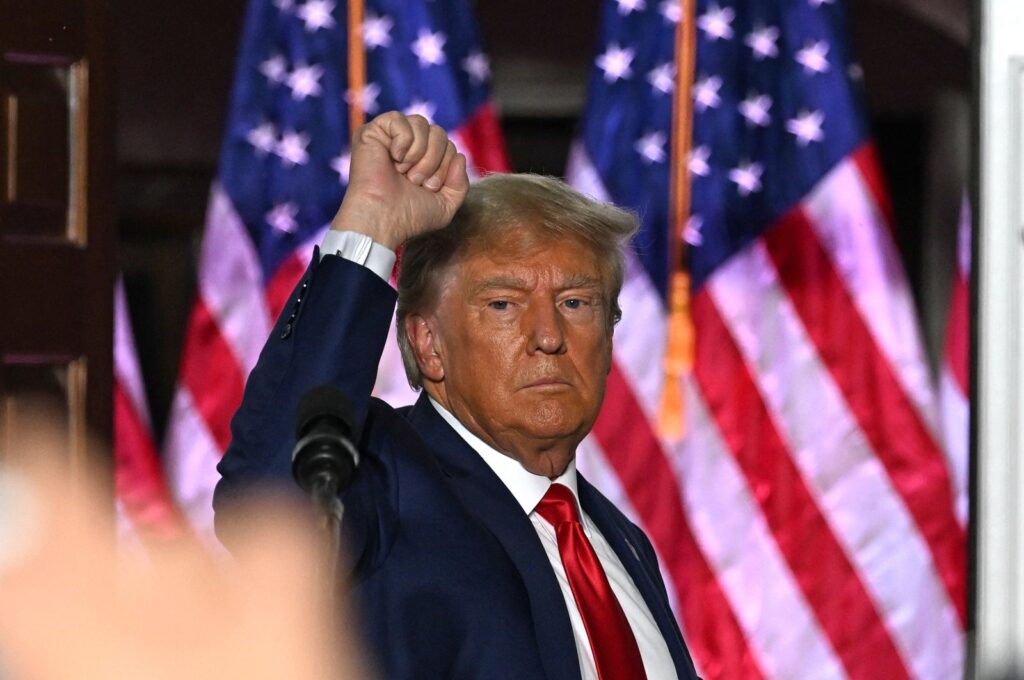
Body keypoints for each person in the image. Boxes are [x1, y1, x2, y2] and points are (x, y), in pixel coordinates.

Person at [215, 111, 701, 680]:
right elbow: (267, 506)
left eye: (575, 302)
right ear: (428, 344)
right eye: (503, 304)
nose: (548, 336)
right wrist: (370, 224)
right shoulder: (379, 481)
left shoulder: (621, 542)